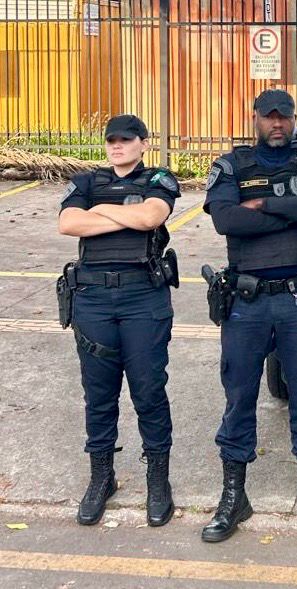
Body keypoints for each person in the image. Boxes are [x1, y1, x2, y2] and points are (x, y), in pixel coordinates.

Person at [200, 89, 297, 543]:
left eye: (284, 116)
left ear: (294, 118)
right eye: (269, 116)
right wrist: (293, 215)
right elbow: (227, 220)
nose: (277, 123)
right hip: (246, 302)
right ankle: (234, 497)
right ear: (256, 119)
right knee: (239, 397)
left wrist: (265, 205)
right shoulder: (231, 165)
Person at [58, 114, 181, 527]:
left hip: (142, 297)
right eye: (111, 139)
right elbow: (68, 223)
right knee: (99, 393)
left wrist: (100, 211)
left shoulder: (158, 179)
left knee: (149, 391)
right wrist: (124, 211)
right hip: (92, 299)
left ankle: (158, 479)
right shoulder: (86, 180)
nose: (117, 145)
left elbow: (150, 218)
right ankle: (101, 477)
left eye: (126, 139)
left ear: (143, 143)